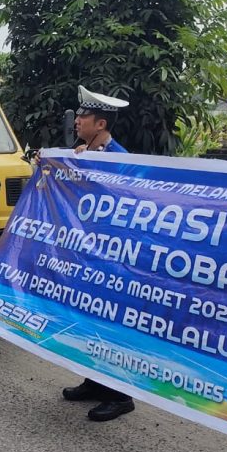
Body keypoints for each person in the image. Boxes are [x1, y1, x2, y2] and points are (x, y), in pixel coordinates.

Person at [59, 85, 138, 423]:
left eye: (84, 116)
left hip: (111, 259)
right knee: (88, 320)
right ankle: (94, 380)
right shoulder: (83, 153)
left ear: (101, 123)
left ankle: (120, 395)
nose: (77, 120)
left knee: (109, 322)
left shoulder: (119, 160)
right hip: (86, 256)